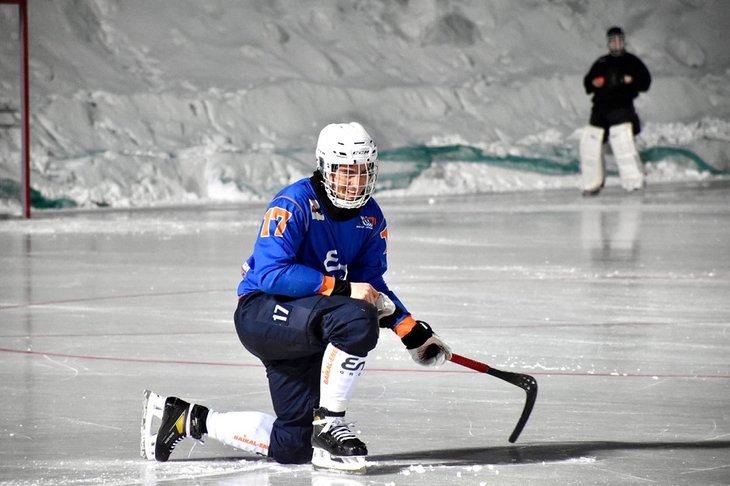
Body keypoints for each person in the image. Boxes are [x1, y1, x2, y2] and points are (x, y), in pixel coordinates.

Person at [141, 122, 452, 473]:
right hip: (262, 313)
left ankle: (187, 418)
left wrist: (408, 329)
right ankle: (331, 422)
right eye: (345, 173)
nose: (355, 183)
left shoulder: (370, 217)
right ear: (324, 168)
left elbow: (372, 283)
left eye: (363, 173)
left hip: (308, 324)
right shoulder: (293, 203)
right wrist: (343, 288)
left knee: (294, 446)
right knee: (356, 318)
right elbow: (272, 273)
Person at [580, 26, 651, 195]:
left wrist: (631, 80)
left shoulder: (632, 61)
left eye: (619, 40)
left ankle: (634, 181)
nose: (616, 44)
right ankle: (592, 183)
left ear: (624, 41)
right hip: (600, 109)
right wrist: (593, 82)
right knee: (591, 143)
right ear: (608, 43)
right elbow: (587, 83)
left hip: (621, 108)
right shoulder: (601, 62)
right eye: (613, 41)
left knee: (622, 142)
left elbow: (645, 82)